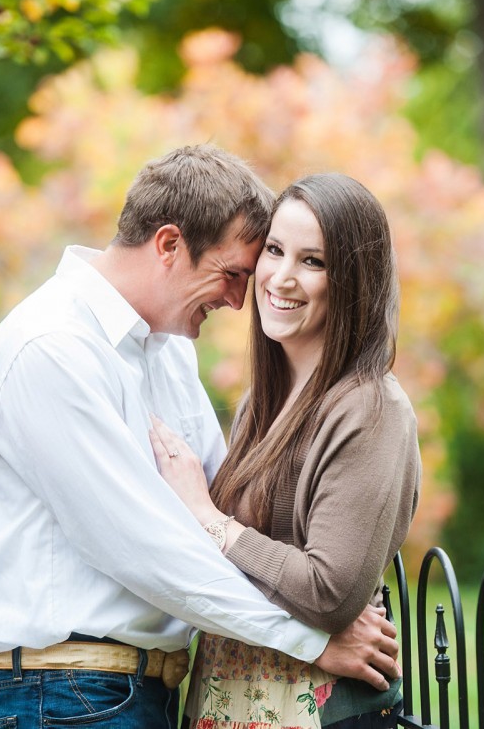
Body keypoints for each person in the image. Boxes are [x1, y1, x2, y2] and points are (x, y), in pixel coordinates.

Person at [0, 146, 400, 729]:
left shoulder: (166, 354)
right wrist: (314, 641)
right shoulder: (51, 348)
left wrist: (329, 590)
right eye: (233, 273)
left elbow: (219, 511)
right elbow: (145, 548)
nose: (240, 299)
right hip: (56, 696)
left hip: (143, 694)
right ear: (169, 245)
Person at [147, 172, 422, 729]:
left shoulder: (370, 410)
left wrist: (210, 520)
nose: (282, 277)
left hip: (318, 712)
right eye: (274, 250)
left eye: (313, 261)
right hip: (229, 700)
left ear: (353, 280)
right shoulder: (260, 402)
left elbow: (329, 594)